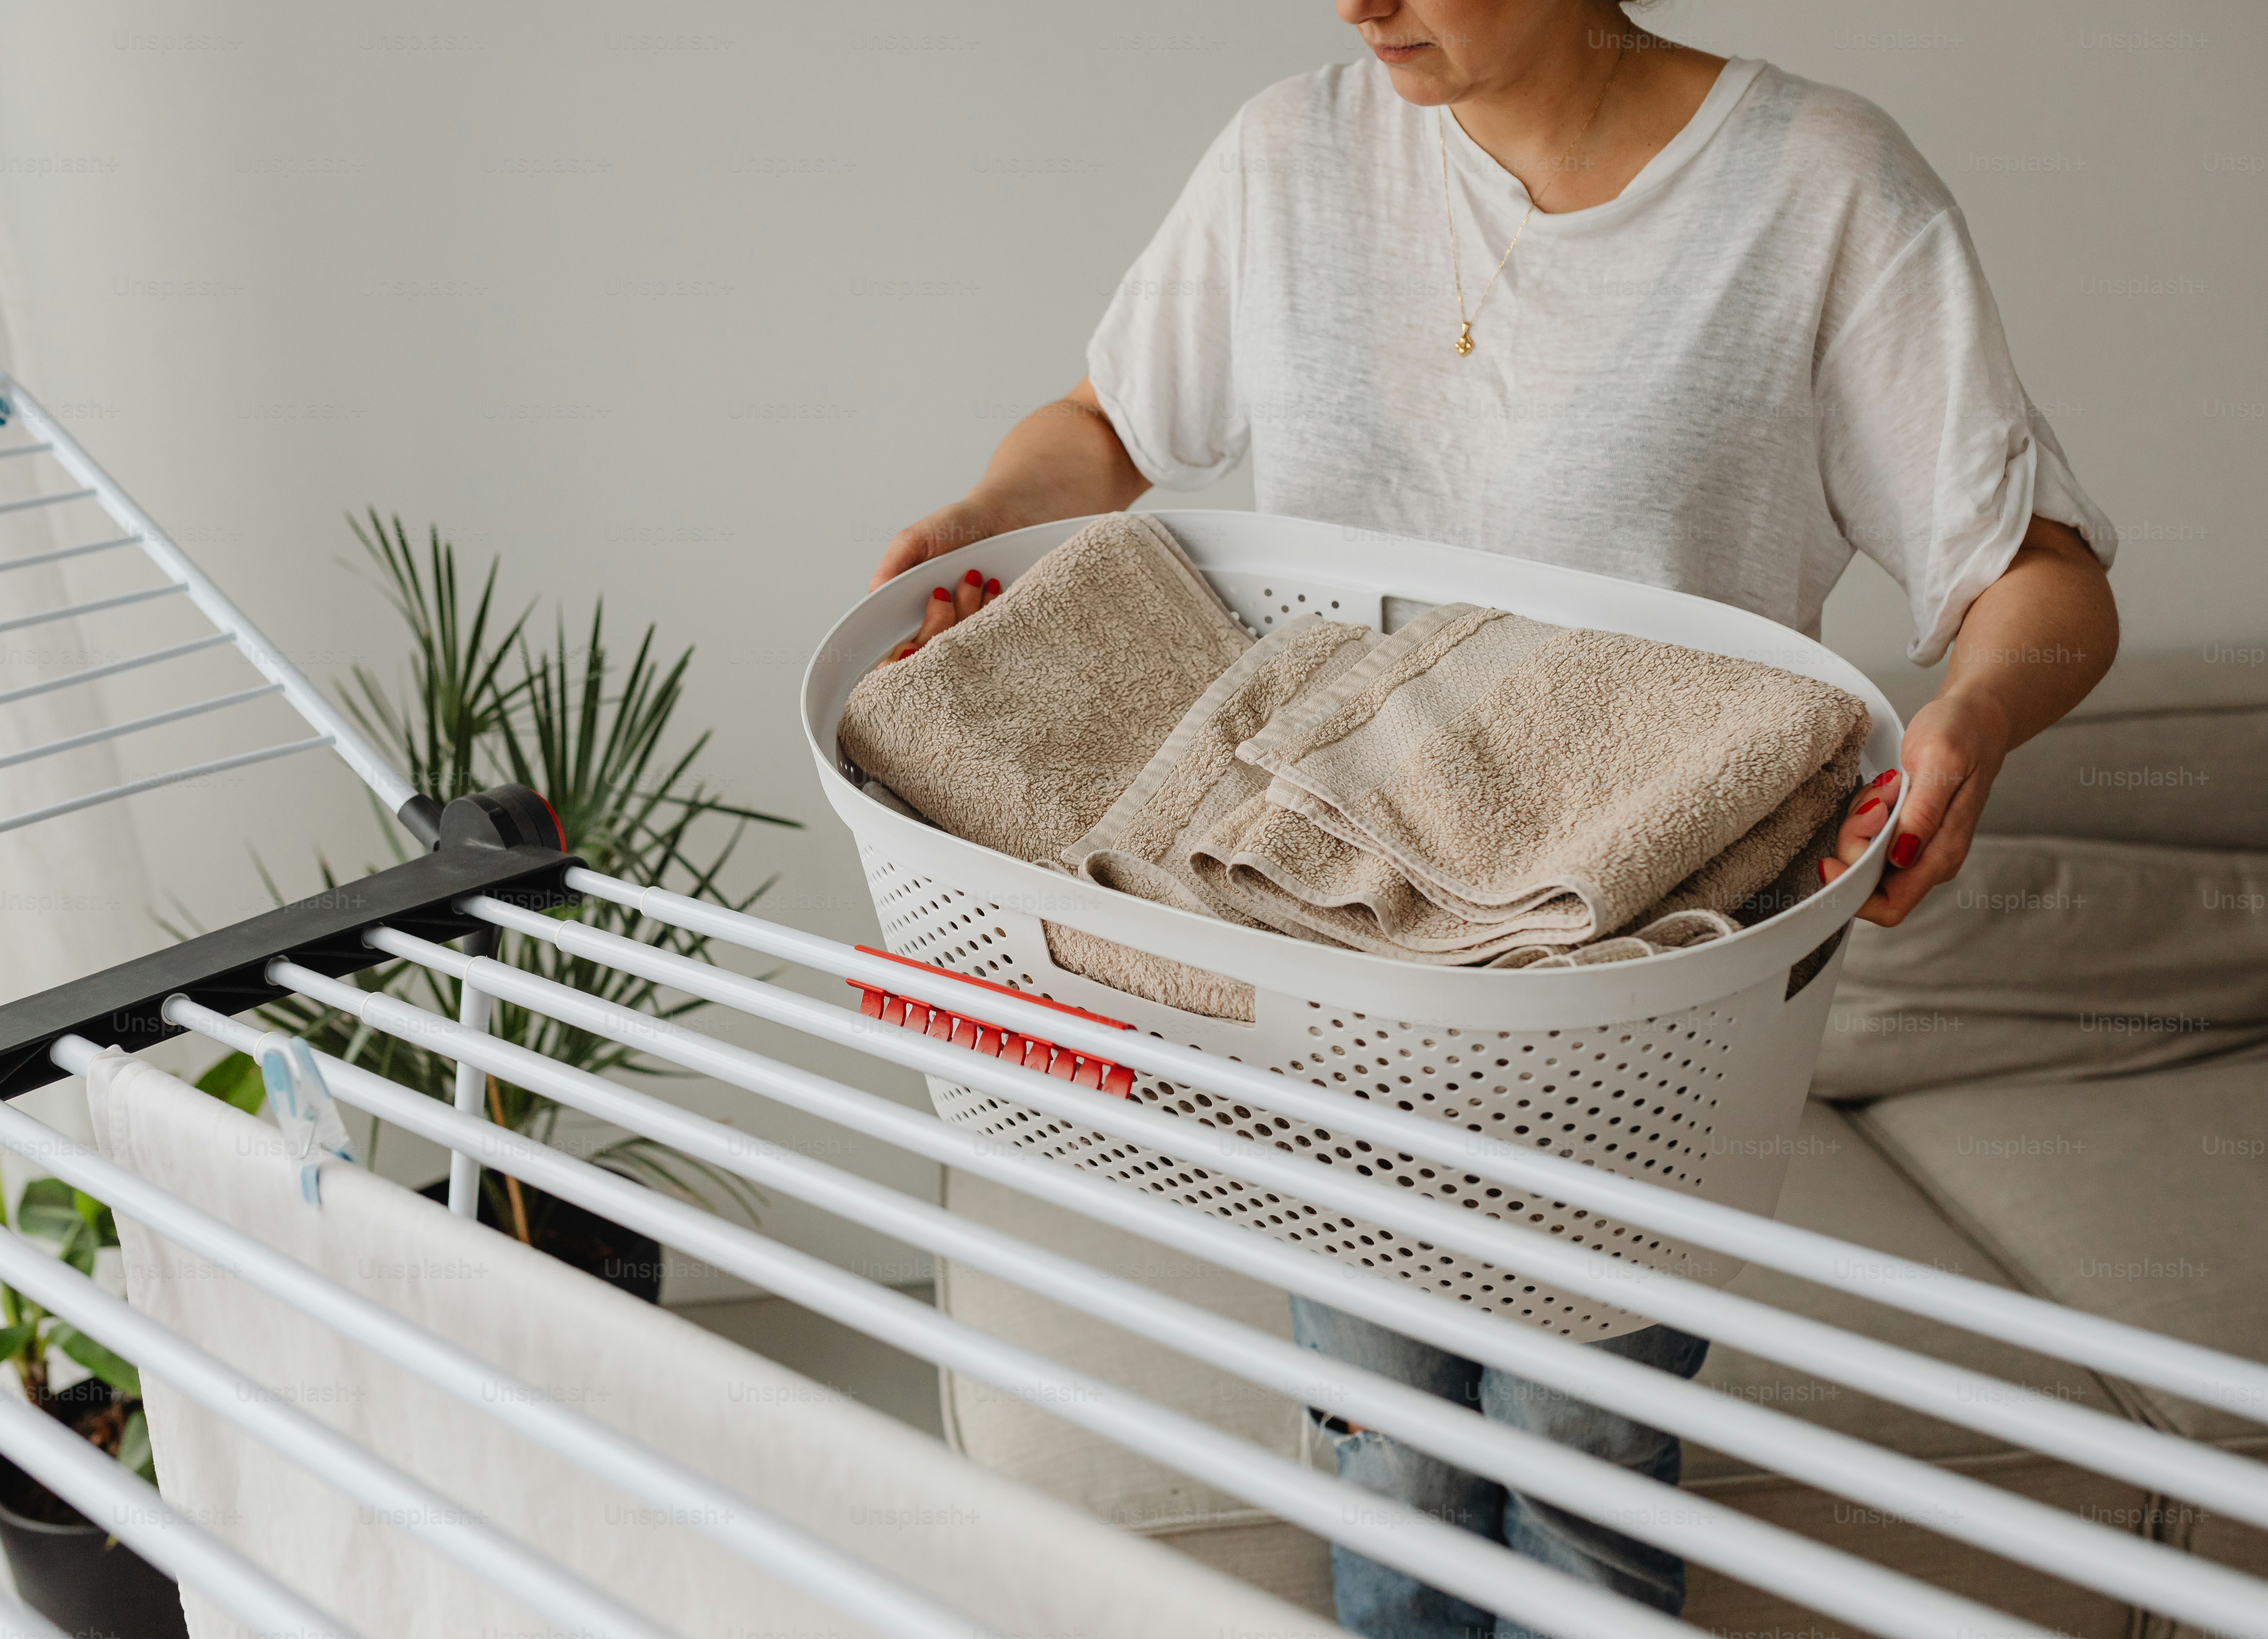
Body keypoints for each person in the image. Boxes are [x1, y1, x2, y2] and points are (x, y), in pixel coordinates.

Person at [870, 2, 2120, 1633]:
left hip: (1615, 989)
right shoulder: (1290, 155)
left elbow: (2040, 573)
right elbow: (1106, 432)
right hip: (1329, 943)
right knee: (1386, 1462)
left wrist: (1982, 709)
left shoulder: (1822, 192)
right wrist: (978, 520)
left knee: (1579, 1469)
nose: (1359, 3)